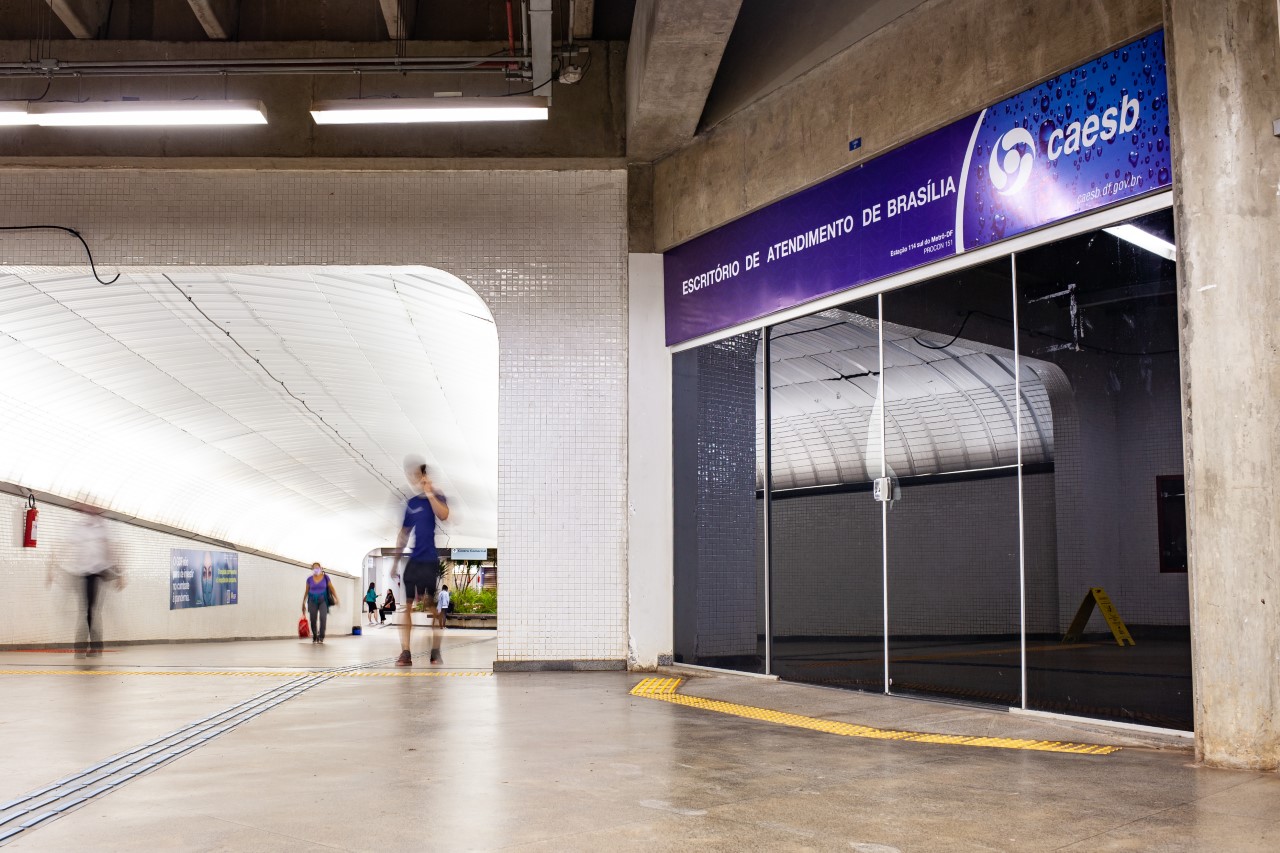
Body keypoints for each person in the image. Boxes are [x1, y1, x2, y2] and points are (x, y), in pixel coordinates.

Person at [392, 459, 449, 666]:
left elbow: (443, 515)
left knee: (430, 606)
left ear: (426, 477)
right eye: (414, 476)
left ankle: (435, 650)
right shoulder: (412, 503)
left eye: (419, 475)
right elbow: (403, 534)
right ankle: (405, 652)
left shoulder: (438, 497)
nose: (416, 479)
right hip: (414, 560)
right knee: (406, 606)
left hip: (430, 560)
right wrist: (395, 561)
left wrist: (430, 493)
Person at [57, 509, 126, 657]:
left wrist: (120, 574)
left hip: (97, 574)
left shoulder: (103, 529)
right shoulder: (80, 527)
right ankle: (84, 647)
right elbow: (68, 547)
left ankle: (92, 646)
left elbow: (111, 551)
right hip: (83, 574)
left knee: (91, 610)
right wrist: (57, 565)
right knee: (86, 610)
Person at [301, 563, 339, 644]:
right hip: (312, 600)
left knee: (323, 618)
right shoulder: (309, 579)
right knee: (313, 619)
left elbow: (331, 588)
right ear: (312, 569)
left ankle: (321, 636)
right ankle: (315, 635)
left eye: (317, 567)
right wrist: (303, 603)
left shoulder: (325, 577)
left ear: (321, 568)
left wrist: (336, 598)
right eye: (314, 568)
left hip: (323, 600)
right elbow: (306, 591)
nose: (316, 569)